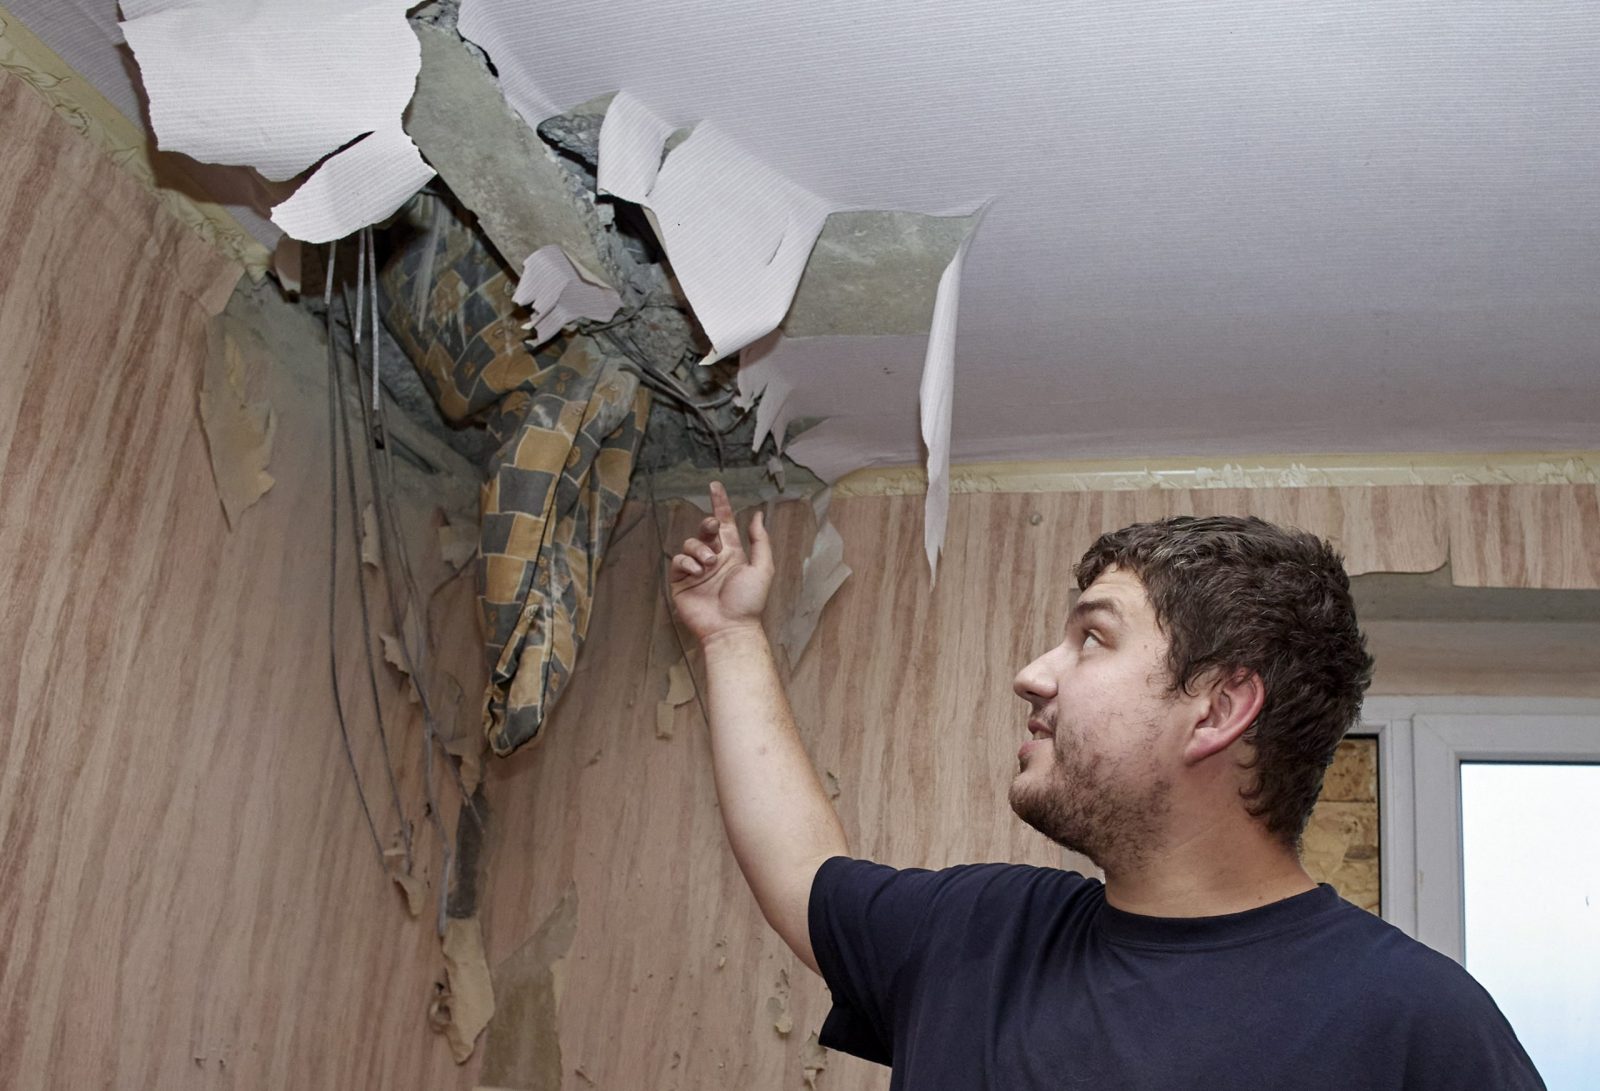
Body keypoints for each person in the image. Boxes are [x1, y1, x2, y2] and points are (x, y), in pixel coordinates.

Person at [668, 482, 1544, 1089]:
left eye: (1093, 638)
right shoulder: (980, 936)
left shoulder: (1417, 1028)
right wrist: (729, 635)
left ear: (1217, 709)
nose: (1032, 672)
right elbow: (800, 868)